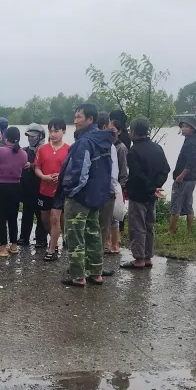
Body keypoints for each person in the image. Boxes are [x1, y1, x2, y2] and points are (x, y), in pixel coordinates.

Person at [55, 103, 115, 287]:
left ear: (90, 119)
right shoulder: (104, 141)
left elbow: (80, 172)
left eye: (79, 117)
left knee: (75, 236)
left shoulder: (85, 142)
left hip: (80, 198)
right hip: (96, 197)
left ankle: (78, 276)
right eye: (75, 117)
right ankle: (96, 273)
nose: (75, 120)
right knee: (93, 234)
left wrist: (70, 192)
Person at [121, 118, 170, 270]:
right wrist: (156, 187)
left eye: (130, 130)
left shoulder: (133, 151)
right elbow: (166, 170)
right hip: (152, 195)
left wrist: (151, 188)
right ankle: (148, 256)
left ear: (133, 132)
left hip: (139, 195)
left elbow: (137, 175)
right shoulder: (157, 148)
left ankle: (139, 259)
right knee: (149, 226)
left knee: (137, 227)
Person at [0, 126, 29, 256]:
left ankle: (3, 248)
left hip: (1, 186)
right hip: (16, 187)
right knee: (13, 216)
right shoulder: (23, 153)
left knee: (1, 217)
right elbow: (23, 165)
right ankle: (14, 245)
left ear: (6, 138)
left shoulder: (1, 151)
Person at [35, 117, 69, 261]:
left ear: (64, 131)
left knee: (55, 218)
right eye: (51, 131)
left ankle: (52, 248)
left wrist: (60, 176)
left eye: (56, 131)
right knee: (45, 219)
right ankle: (54, 238)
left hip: (60, 190)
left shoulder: (69, 149)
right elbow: (37, 167)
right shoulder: (42, 149)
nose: (53, 134)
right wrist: (44, 177)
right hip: (44, 189)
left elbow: (71, 170)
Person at [169, 116, 196, 234]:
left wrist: (181, 176)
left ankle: (171, 231)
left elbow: (192, 162)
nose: (183, 129)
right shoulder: (193, 140)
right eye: (183, 127)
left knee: (176, 204)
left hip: (184, 179)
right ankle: (189, 232)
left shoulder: (191, 142)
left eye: (186, 127)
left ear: (192, 129)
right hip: (191, 178)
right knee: (188, 204)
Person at [95, 112, 121, 277]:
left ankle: (85, 264)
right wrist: (114, 190)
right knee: (101, 228)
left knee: (88, 228)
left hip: (87, 192)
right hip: (104, 192)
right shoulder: (109, 146)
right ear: (105, 126)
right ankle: (96, 266)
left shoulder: (83, 142)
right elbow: (113, 174)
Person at [18, 123, 46, 247]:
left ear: (40, 137)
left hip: (41, 189)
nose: (30, 138)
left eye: (33, 136)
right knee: (26, 214)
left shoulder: (46, 151)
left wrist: (32, 165)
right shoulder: (25, 150)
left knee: (41, 216)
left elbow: (48, 167)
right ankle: (24, 238)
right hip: (27, 189)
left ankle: (41, 239)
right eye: (29, 136)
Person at [105, 119, 128, 255]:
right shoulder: (107, 145)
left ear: (119, 131)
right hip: (106, 185)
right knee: (107, 217)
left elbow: (123, 169)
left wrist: (122, 188)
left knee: (115, 218)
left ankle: (115, 244)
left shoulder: (121, 148)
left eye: (113, 130)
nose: (111, 132)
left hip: (116, 186)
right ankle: (107, 243)